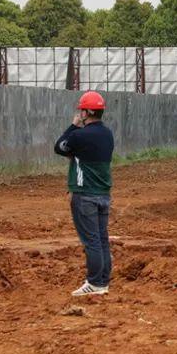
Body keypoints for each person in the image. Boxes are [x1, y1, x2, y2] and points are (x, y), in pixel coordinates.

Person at [54, 91, 114, 297]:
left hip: (84, 193)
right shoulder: (107, 134)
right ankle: (103, 281)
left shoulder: (79, 135)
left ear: (87, 112)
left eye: (82, 110)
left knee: (92, 241)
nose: (80, 113)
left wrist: (73, 125)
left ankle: (95, 283)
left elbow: (59, 146)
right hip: (103, 194)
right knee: (102, 239)